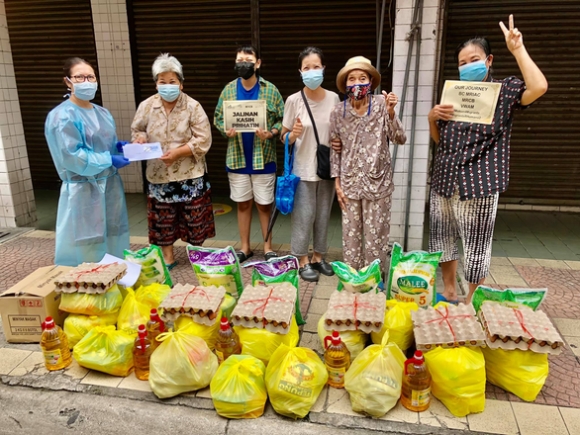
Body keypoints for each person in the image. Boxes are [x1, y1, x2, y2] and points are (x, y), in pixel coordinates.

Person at [428, 15, 548, 303]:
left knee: (476, 245)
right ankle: (448, 290)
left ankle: (472, 298)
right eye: (463, 62)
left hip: (479, 183)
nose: (468, 66)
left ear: (489, 59)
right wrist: (432, 117)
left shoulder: (504, 90)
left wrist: (518, 49)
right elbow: (440, 141)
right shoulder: (454, 95)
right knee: (441, 238)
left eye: (474, 59)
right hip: (444, 178)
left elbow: (539, 87)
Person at [131, 53, 215, 269]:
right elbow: (137, 129)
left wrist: (179, 153)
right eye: (162, 82)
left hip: (190, 173)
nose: (167, 86)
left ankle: (197, 253)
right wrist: (140, 139)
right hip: (158, 173)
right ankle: (168, 256)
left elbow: (203, 139)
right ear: (156, 84)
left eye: (172, 81)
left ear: (181, 83)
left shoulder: (193, 107)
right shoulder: (147, 106)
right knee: (162, 219)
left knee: (194, 217)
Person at [44, 57, 130, 266]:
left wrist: (117, 146)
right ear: (68, 81)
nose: (87, 81)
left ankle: (115, 282)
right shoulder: (62, 116)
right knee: (87, 244)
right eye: (79, 77)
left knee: (113, 237)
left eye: (90, 76)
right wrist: (108, 158)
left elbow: (101, 144)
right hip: (83, 191)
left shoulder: (103, 113)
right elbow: (72, 157)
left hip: (110, 187)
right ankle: (87, 288)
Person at [330, 56, 407, 274]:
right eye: (351, 79)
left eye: (362, 78)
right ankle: (353, 279)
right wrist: (337, 184)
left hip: (378, 184)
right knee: (351, 236)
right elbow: (335, 152)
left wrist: (391, 113)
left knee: (376, 238)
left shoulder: (382, 106)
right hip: (349, 185)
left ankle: (374, 280)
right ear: (345, 84)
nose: (356, 83)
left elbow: (400, 138)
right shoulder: (338, 112)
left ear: (371, 82)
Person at [214, 46, 284, 263]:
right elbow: (218, 116)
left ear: (258, 63)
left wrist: (271, 132)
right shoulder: (228, 90)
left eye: (248, 59)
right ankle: (245, 247)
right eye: (239, 60)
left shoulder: (270, 90)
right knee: (243, 203)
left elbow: (283, 119)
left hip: (263, 157)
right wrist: (225, 128)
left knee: (264, 204)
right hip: (237, 157)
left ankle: (268, 246)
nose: (243, 63)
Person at [281, 47, 340, 282]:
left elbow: (337, 131)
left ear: (323, 68)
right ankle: (301, 259)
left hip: (326, 168)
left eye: (316, 66)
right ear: (300, 71)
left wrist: (338, 143)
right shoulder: (293, 100)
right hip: (303, 169)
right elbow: (283, 136)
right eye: (307, 68)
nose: (312, 71)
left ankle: (319, 256)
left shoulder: (334, 98)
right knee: (304, 216)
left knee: (324, 215)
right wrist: (292, 135)